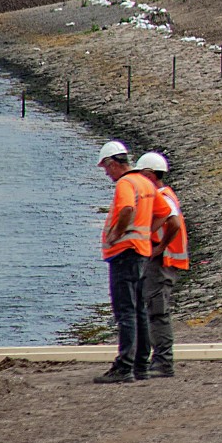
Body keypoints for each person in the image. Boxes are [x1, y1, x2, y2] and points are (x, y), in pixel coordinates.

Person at [95, 140, 156, 383]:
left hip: (125, 253)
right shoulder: (145, 182)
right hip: (141, 251)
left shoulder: (126, 184)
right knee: (139, 309)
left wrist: (116, 234)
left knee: (126, 311)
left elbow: (127, 209)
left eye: (106, 168)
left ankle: (125, 366)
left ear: (113, 163)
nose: (107, 173)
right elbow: (163, 214)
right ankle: (140, 363)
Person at [140, 152, 187, 380]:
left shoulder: (161, 197)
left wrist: (159, 248)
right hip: (165, 261)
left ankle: (163, 361)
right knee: (156, 310)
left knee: (158, 311)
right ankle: (159, 358)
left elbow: (173, 223)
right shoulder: (165, 195)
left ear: (149, 174)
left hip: (162, 262)